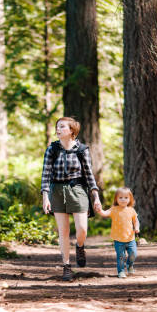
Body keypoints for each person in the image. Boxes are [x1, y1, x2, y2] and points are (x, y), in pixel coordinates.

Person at [41, 117, 102, 282]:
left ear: (71, 131)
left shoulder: (82, 150)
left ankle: (80, 246)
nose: (58, 129)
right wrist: (45, 196)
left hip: (78, 190)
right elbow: (45, 175)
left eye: (62, 126)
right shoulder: (52, 149)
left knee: (82, 229)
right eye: (57, 127)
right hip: (57, 191)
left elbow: (89, 175)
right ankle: (66, 266)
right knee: (63, 231)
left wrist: (95, 196)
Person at [96, 187, 140, 278]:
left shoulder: (131, 210)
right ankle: (121, 271)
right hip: (118, 239)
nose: (123, 200)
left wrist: (137, 227)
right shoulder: (114, 209)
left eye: (126, 197)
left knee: (133, 254)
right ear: (116, 199)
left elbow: (136, 220)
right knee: (121, 257)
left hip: (130, 238)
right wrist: (100, 210)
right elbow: (105, 213)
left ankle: (129, 265)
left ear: (130, 199)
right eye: (120, 197)